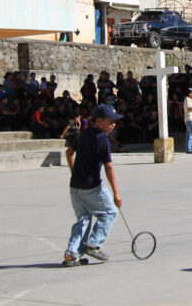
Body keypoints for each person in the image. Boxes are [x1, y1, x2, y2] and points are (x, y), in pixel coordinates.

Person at [63, 103, 123, 267]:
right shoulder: (102, 138)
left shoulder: (84, 134)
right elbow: (108, 166)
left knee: (83, 219)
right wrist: (116, 193)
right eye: (110, 121)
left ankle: (72, 254)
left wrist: (73, 172)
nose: (113, 124)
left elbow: (69, 152)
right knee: (110, 212)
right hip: (92, 186)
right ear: (99, 120)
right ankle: (94, 244)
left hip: (75, 185)